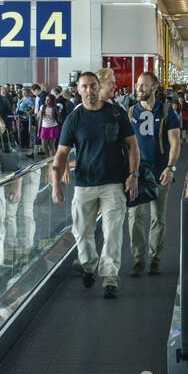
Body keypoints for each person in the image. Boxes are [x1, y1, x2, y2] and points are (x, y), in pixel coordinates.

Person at [51, 71, 140, 298]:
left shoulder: (116, 113)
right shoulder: (74, 118)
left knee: (112, 232)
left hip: (113, 183)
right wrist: (55, 183)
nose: (89, 91)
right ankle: (89, 266)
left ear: (98, 87)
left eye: (92, 86)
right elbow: (61, 155)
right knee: (82, 231)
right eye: (84, 87)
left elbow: (132, 146)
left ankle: (110, 278)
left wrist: (133, 175)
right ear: (78, 90)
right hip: (84, 183)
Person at [126, 71, 182, 277]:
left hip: (159, 172)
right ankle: (138, 259)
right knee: (134, 216)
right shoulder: (131, 112)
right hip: (137, 173)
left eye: (144, 84)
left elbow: (175, 143)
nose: (139, 87)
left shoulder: (167, 112)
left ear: (154, 87)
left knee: (158, 217)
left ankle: (154, 257)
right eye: (138, 84)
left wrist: (170, 167)